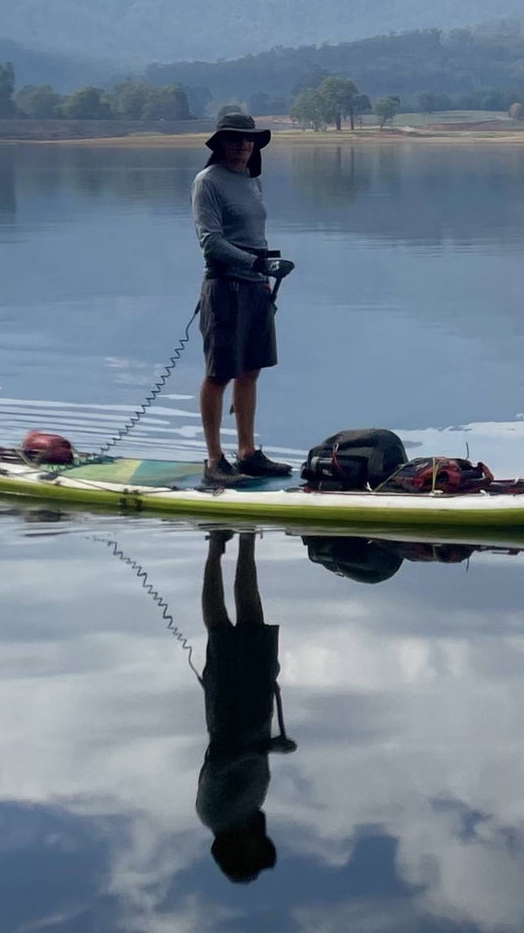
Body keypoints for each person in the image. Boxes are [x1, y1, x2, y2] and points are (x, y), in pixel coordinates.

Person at [192, 112, 286, 483]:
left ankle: (246, 452)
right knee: (219, 373)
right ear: (220, 144)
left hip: (255, 287)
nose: (243, 145)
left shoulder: (251, 182)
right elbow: (210, 240)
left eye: (248, 140)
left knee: (251, 369)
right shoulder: (207, 182)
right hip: (224, 287)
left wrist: (267, 268)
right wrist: (253, 262)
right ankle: (215, 461)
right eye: (235, 139)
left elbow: (255, 236)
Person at [196, 529, 292, 884]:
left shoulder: (213, 814)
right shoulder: (249, 810)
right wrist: (268, 745)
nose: (261, 844)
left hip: (228, 712)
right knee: (253, 621)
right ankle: (247, 542)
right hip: (255, 709)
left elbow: (219, 763)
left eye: (255, 854)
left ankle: (216, 548)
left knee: (219, 628)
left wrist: (264, 747)